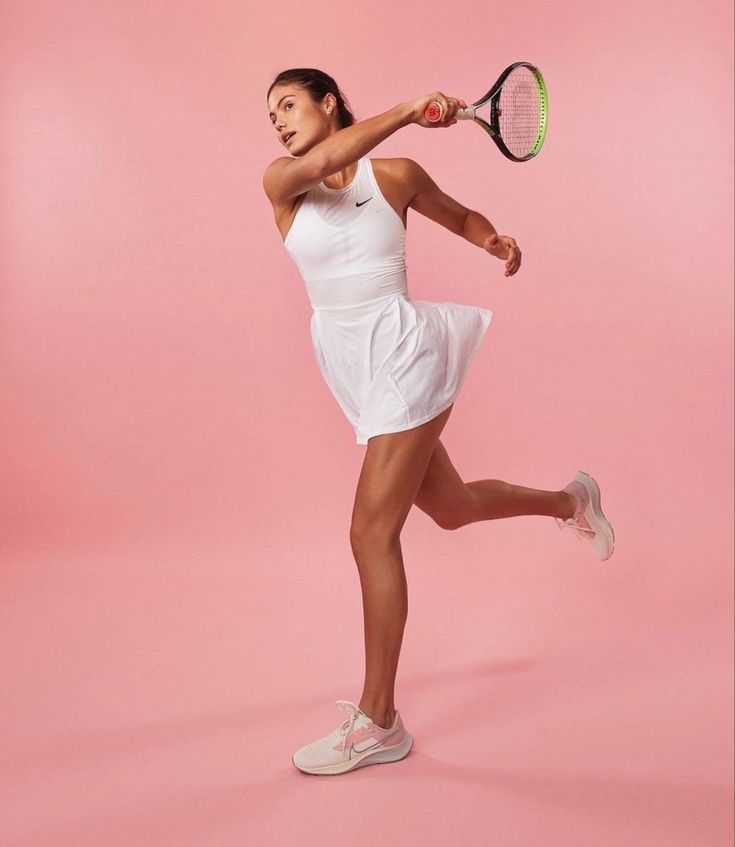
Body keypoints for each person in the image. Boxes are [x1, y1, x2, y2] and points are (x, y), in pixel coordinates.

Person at [263, 68, 615, 776]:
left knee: (369, 530)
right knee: (449, 509)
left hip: (403, 346)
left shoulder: (394, 173)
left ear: (329, 101)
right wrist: (403, 107)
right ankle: (570, 499)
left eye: (290, 104)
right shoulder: (283, 181)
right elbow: (327, 162)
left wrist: (492, 240)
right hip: (350, 361)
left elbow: (456, 215)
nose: (277, 119)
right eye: (270, 111)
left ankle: (379, 720)